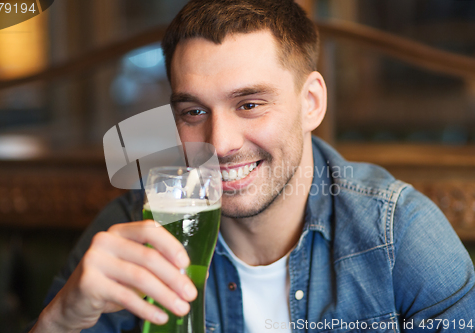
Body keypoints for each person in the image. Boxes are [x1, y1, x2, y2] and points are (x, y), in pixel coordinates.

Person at [28, 0, 475, 332]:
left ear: (311, 103)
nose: (220, 144)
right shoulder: (135, 229)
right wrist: (61, 319)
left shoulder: (399, 235)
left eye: (250, 104)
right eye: (194, 112)